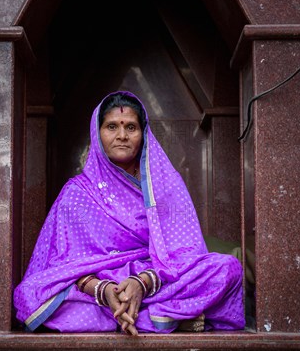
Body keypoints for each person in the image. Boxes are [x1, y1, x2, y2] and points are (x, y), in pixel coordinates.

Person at [13, 91, 245, 334]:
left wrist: (141, 283)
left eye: (131, 127)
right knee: (34, 296)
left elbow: (184, 252)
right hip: (98, 286)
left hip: (157, 278)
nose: (122, 136)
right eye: (112, 126)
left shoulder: (164, 186)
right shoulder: (77, 192)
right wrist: (105, 292)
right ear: (97, 132)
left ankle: (139, 313)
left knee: (227, 268)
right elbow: (63, 264)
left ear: (143, 134)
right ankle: (164, 316)